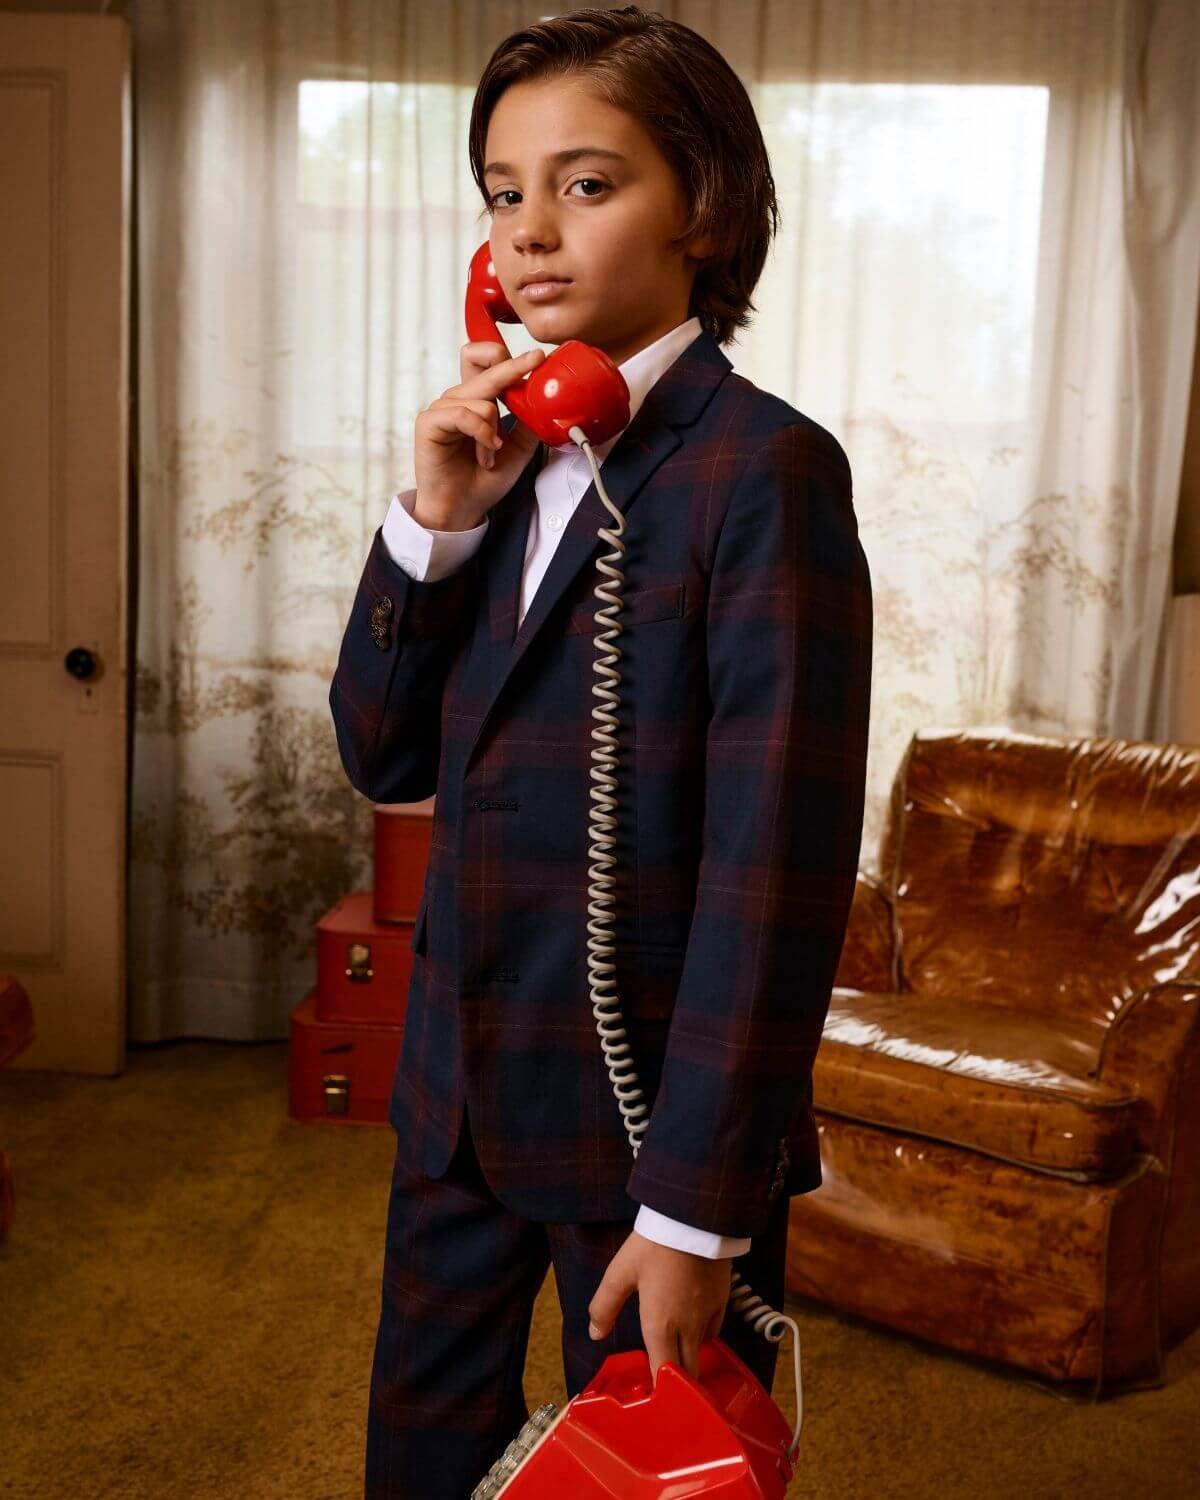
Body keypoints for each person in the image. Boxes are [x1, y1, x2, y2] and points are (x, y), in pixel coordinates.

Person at [328, 7, 873, 1496]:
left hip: (647, 1132)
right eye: (504, 194)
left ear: (705, 207)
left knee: (650, 1473)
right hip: (457, 1094)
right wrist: (435, 519)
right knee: (421, 1450)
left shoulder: (764, 471)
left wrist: (700, 1210)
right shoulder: (504, 453)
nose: (530, 236)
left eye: (586, 183)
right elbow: (380, 754)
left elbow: (775, 872)